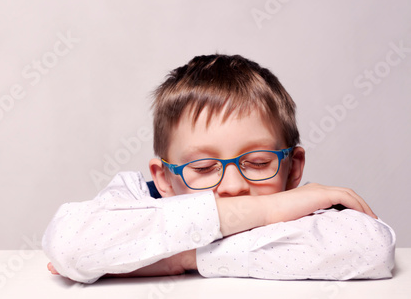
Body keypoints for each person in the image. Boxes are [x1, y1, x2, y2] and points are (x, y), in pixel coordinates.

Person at [42, 54, 395, 284]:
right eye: (204, 166)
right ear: (163, 178)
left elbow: (372, 249)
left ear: (293, 168)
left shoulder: (302, 206)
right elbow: (71, 245)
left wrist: (183, 256)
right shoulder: (135, 196)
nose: (232, 186)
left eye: (258, 163)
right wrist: (265, 208)